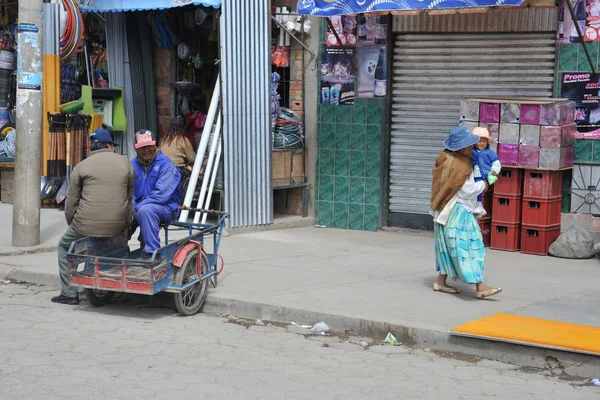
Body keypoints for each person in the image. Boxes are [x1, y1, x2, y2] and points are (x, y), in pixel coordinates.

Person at [52, 129, 134, 305]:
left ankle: (69, 293)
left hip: (85, 224)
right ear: (110, 146)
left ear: (92, 148)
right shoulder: (126, 162)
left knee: (64, 246)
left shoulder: (82, 166)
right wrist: (125, 223)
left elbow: (71, 202)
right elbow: (129, 198)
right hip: (116, 223)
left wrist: (73, 224)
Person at [430, 126, 502, 299]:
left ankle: (441, 282)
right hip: (458, 212)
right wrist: (485, 184)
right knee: (470, 246)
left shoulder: (444, 157)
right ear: (462, 147)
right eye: (469, 146)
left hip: (443, 209)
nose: (472, 148)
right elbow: (467, 190)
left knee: (447, 248)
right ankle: (480, 286)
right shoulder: (461, 166)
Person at [130, 129, 181, 258]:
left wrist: (137, 208)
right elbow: (129, 191)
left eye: (149, 146)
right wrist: (130, 207)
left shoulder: (166, 164)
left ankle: (152, 253)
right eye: (142, 147)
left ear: (155, 144)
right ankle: (116, 251)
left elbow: (161, 195)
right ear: (136, 149)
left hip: (167, 207)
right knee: (120, 211)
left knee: (146, 211)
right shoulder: (132, 165)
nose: (146, 150)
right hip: (140, 207)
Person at [471, 127, 501, 217]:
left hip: (482, 176)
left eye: (484, 141)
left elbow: (496, 163)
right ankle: (473, 205)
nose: (482, 143)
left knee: (480, 190)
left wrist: (495, 170)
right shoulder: (470, 151)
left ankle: (479, 204)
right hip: (471, 175)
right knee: (472, 190)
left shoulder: (489, 153)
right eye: (479, 141)